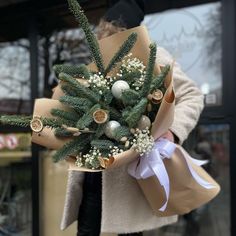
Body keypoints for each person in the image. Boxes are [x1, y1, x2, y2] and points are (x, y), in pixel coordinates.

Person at [60, 1, 204, 235]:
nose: (104, 36)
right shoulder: (100, 60)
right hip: (93, 168)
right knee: (87, 228)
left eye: (110, 30)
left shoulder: (150, 53)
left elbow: (192, 95)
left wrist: (172, 131)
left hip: (127, 172)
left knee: (128, 231)